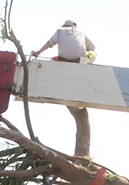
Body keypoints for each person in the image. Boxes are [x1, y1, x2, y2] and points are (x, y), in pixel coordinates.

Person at [31, 20, 96, 157]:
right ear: (74, 26)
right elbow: (93, 49)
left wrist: (37, 53)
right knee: (82, 115)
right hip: (80, 64)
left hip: (64, 67)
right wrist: (90, 57)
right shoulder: (81, 33)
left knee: (80, 114)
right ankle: (83, 154)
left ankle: (81, 154)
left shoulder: (60, 31)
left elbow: (49, 44)